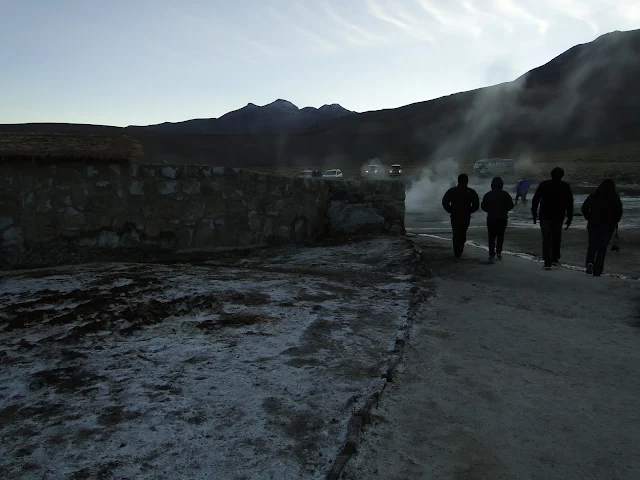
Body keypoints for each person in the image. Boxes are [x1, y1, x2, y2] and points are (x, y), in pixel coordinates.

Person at [531, 167, 574, 270]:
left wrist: (534, 213)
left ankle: (547, 261)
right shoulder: (565, 186)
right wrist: (570, 217)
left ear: (551, 174)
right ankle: (555, 258)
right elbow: (570, 203)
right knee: (556, 237)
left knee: (546, 238)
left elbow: (536, 199)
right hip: (558, 216)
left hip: (545, 215)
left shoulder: (544, 184)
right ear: (562, 175)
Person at [581, 179, 623, 277]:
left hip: (593, 224)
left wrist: (589, 218)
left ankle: (590, 263)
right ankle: (598, 270)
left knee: (592, 245)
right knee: (602, 248)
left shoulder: (594, 196)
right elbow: (619, 212)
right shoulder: (615, 197)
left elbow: (584, 208)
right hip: (608, 226)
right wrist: (615, 221)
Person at [442, 173, 480, 259]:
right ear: (467, 181)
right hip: (465, 216)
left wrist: (450, 210)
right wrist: (470, 211)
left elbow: (444, 202)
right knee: (463, 232)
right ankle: (460, 249)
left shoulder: (452, 191)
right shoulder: (470, 192)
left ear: (458, 181)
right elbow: (476, 204)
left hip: (455, 215)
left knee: (456, 233)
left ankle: (456, 251)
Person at [481, 177, 514, 263]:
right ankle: (499, 251)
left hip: (491, 218)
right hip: (502, 218)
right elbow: (511, 205)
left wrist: (489, 210)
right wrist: (504, 210)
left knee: (491, 236)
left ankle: (491, 253)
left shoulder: (488, 195)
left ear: (492, 185)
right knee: (500, 235)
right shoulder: (505, 194)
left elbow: (483, 206)